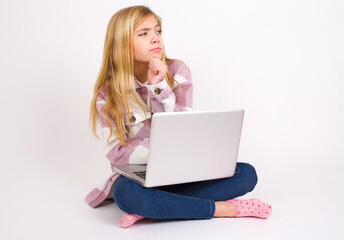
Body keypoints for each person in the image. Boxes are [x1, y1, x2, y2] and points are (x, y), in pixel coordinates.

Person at [85, 5, 272, 228]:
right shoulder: (107, 94)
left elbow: (180, 129)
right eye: (143, 34)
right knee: (126, 194)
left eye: (158, 31)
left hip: (184, 170)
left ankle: (152, 208)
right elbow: (116, 152)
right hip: (141, 177)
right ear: (122, 43)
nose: (155, 38)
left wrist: (160, 87)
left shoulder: (177, 72)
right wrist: (159, 155)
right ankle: (222, 209)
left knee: (246, 173)